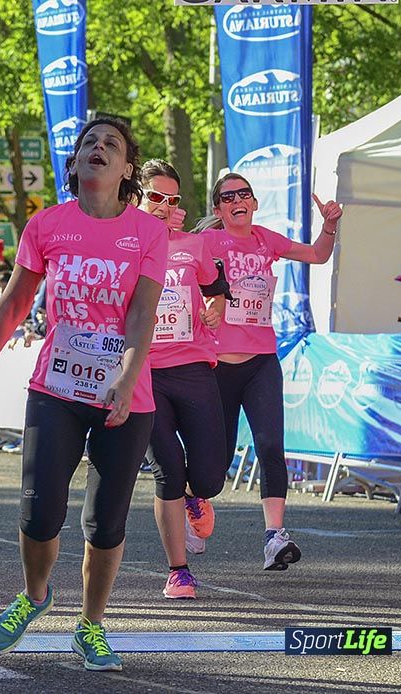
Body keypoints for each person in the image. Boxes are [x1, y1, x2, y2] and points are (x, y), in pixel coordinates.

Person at [0, 117, 167, 672]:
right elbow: (13, 305)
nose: (98, 149)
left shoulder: (147, 232)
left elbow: (142, 310)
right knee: (39, 511)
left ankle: (90, 624)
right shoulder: (47, 225)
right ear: (75, 163)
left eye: (110, 145)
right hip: (57, 387)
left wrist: (125, 374)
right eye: (89, 142)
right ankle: (36, 593)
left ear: (126, 169)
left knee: (104, 521)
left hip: (123, 392)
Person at [197, 173, 342, 571]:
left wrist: (329, 227)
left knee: (270, 447)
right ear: (218, 209)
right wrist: (202, 310)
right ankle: (196, 503)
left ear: (254, 203)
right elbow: (178, 274)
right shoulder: (207, 242)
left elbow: (317, 255)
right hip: (219, 365)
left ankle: (274, 537)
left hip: (262, 361)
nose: (237, 200)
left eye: (244, 194)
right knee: (217, 460)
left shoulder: (266, 240)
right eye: (228, 197)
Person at [135, 159, 227, 599]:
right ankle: (179, 571)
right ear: (136, 195)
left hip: (192, 364)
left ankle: (198, 493)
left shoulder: (193, 244)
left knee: (210, 475)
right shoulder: (121, 243)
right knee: (166, 469)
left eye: (172, 199)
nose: (165, 205)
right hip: (143, 370)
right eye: (156, 197)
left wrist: (216, 309)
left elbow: (217, 286)